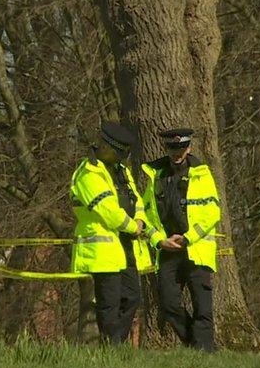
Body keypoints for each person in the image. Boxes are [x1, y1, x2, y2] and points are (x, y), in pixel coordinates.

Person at [70, 121, 153, 343]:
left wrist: (140, 220)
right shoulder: (88, 173)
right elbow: (108, 211)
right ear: (105, 147)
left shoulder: (122, 172)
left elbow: (137, 201)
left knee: (132, 297)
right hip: (102, 251)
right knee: (110, 303)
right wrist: (132, 226)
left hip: (126, 246)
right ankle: (112, 349)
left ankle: (115, 344)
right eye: (118, 154)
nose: (121, 160)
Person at [139, 128, 221, 352]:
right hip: (167, 250)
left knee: (202, 306)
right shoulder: (155, 176)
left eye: (181, 148)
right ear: (165, 148)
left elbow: (211, 213)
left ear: (189, 148)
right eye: (172, 148)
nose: (177, 153)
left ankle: (205, 352)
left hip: (195, 248)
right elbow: (145, 215)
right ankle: (194, 345)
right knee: (168, 303)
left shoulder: (202, 174)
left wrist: (188, 238)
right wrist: (159, 241)